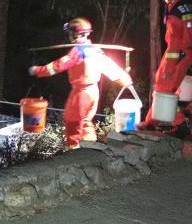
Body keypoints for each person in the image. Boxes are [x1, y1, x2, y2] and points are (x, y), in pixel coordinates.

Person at [29, 17, 133, 150]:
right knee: (85, 123)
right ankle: (90, 150)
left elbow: (58, 65)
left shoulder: (79, 51)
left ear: (75, 34)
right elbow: (109, 66)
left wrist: (37, 70)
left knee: (72, 123)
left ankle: (73, 152)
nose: (69, 36)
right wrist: (125, 78)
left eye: (70, 33)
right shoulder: (94, 50)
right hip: (93, 93)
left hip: (81, 94)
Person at [138, 0, 192, 139]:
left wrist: (170, 67)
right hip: (179, 53)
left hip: (177, 54)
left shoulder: (176, 10)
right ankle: (151, 121)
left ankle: (181, 127)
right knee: (160, 85)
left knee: (165, 90)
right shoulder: (182, 6)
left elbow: (176, 41)